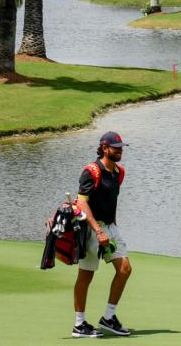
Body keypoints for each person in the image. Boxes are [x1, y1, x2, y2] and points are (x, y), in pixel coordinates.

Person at [71, 131, 133, 338]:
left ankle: (109, 318)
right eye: (116, 147)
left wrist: (112, 225)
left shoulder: (119, 172)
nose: (119, 151)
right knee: (86, 275)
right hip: (90, 228)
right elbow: (81, 203)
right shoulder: (91, 171)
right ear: (105, 148)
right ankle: (79, 325)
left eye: (121, 147)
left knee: (124, 269)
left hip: (110, 227)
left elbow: (112, 199)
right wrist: (97, 230)